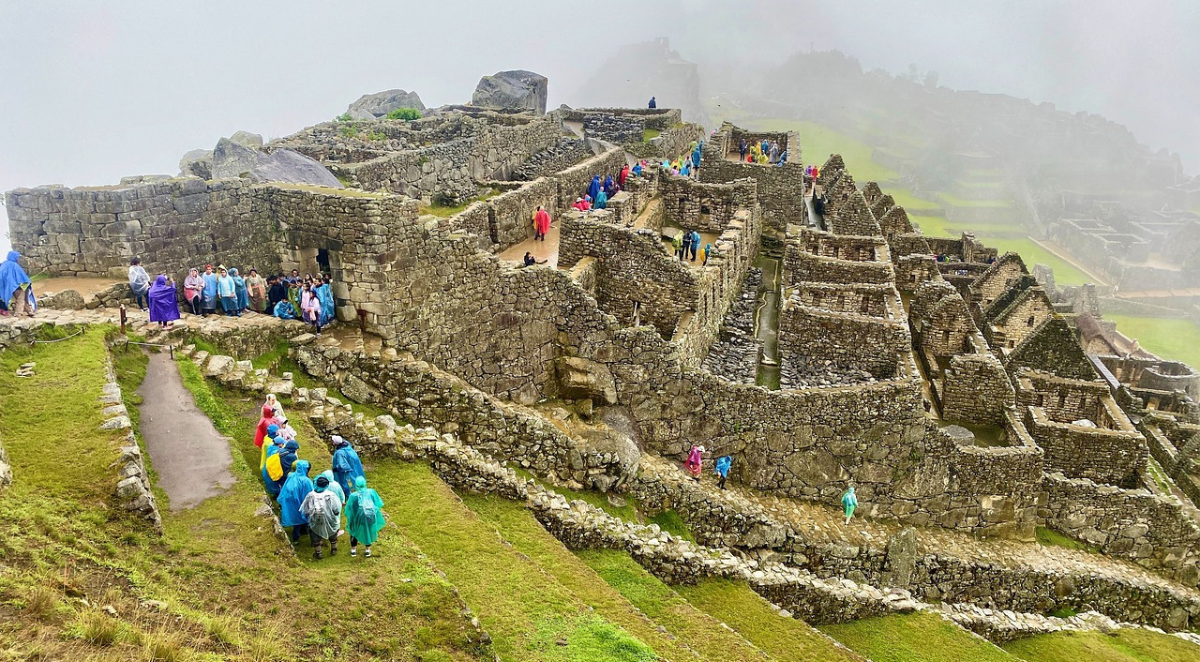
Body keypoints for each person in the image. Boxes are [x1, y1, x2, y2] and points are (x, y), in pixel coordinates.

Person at [301, 475, 343, 559]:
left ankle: (318, 553)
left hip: (315, 520)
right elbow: (336, 509)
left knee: (315, 535)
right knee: (333, 533)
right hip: (330, 519)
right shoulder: (331, 495)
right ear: (327, 485)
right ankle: (334, 548)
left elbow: (305, 509)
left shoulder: (310, 495)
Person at [346, 476, 385, 558]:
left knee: (354, 531)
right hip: (369, 517)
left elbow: (349, 509)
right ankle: (368, 549)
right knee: (368, 531)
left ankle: (353, 550)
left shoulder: (353, 496)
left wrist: (351, 518)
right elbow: (378, 504)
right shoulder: (371, 492)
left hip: (357, 518)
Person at [279, 460, 314, 544]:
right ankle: (301, 534)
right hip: (300, 502)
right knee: (302, 517)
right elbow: (310, 494)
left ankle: (296, 537)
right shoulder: (306, 481)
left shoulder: (292, 476)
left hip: (290, 502)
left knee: (295, 518)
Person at [0, 251, 36, 318]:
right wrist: (27, 282)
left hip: (9, 287)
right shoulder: (14, 265)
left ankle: (29, 311)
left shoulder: (4, 264)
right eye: (17, 257)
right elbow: (21, 276)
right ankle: (18, 314)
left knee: (22, 299)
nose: (18, 259)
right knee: (20, 299)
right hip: (19, 286)